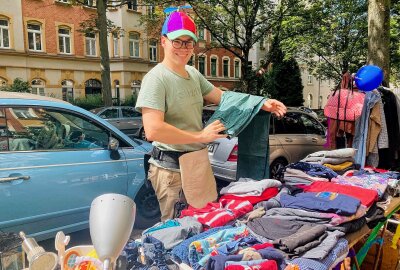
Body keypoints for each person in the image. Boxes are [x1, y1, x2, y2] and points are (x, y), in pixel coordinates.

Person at [135, 10, 287, 221]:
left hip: (197, 165)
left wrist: (261, 103)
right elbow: (153, 130)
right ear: (163, 41)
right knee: (177, 232)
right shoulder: (156, 79)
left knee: (207, 224)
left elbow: (223, 97)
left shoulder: (193, 74)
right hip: (172, 171)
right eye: (177, 41)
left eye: (189, 42)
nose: (184, 48)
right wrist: (200, 137)